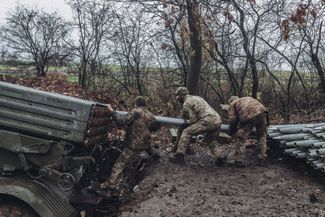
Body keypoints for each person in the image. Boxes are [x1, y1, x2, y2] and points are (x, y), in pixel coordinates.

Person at [105, 96, 160, 196]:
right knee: (132, 161)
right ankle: (152, 154)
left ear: (136, 104)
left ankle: (111, 189)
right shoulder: (150, 114)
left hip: (133, 146)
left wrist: (111, 110)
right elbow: (155, 127)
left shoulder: (135, 112)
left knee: (119, 165)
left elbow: (121, 121)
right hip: (145, 144)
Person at [169, 87, 223, 164]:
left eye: (177, 96)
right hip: (217, 120)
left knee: (186, 132)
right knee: (211, 139)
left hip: (207, 120)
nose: (177, 98)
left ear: (181, 95)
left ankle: (179, 156)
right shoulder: (197, 97)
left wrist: (186, 122)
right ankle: (220, 158)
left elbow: (193, 119)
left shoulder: (186, 103)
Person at [227, 96, 269, 167]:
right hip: (263, 113)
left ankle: (238, 160)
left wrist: (232, 130)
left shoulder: (232, 104)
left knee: (241, 138)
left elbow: (232, 120)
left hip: (250, 116)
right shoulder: (246, 99)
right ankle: (262, 159)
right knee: (262, 136)